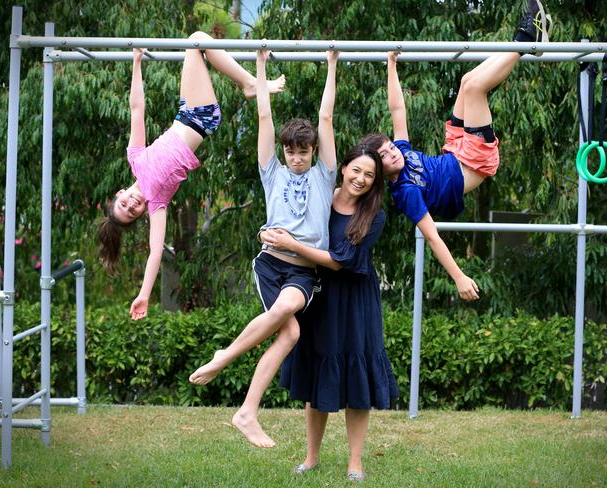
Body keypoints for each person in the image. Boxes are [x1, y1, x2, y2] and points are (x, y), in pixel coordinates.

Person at [189, 49, 340, 448]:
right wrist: (259, 66)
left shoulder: (326, 176)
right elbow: (264, 118)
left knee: (288, 322)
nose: (296, 157)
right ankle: (246, 410)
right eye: (291, 151)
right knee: (288, 330)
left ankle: (231, 370)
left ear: (313, 151)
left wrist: (331, 64)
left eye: (303, 151)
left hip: (303, 269)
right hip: (272, 266)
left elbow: (325, 119)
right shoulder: (271, 172)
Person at [362, 0, 552, 301]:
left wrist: (391, 65)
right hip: (472, 164)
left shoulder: (401, 150)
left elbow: (397, 109)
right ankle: (526, 39)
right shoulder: (405, 193)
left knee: (466, 83)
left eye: (388, 148)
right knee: (477, 89)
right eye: (384, 157)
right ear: (379, 173)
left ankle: (525, 42)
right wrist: (459, 276)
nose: (392, 154)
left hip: (454, 149)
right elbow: (432, 237)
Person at [97, 32, 285, 320]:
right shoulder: (157, 203)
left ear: (120, 193)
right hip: (201, 117)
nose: (132, 205)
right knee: (197, 39)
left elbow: (137, 109)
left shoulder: (135, 159)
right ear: (141, 214)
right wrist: (144, 294)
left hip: (184, 113)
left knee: (197, 47)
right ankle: (249, 83)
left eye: (124, 204)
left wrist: (137, 63)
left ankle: (249, 83)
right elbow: (155, 252)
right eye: (132, 212)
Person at [262, 144, 399, 483]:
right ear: (343, 168)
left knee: (356, 376)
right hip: (318, 294)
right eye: (356, 170)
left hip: (355, 302)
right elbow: (289, 215)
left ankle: (355, 462)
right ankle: (311, 458)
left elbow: (342, 260)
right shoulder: (322, 192)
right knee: (317, 375)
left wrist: (293, 246)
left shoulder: (375, 214)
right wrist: (271, 236)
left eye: (369, 175)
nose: (361, 179)